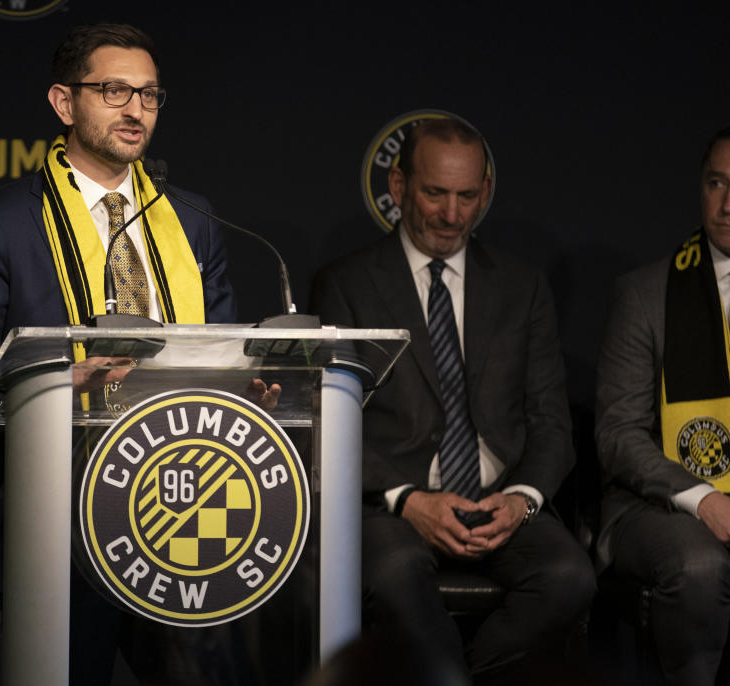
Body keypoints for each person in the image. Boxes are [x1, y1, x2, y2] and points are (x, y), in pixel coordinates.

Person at [0, 23, 251, 683]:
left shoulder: (192, 219)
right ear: (64, 103)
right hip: (53, 513)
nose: (135, 110)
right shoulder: (3, 220)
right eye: (113, 90)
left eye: (149, 95)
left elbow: (227, 350)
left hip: (183, 510)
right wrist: (49, 375)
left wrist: (254, 389)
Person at [310, 116, 594, 685]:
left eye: (468, 196)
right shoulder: (346, 284)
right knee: (395, 573)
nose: (452, 214)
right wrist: (407, 499)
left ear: (486, 191)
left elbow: (549, 422)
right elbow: (329, 423)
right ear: (398, 187)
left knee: (570, 577)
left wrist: (521, 500)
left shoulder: (522, 286)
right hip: (394, 503)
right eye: (435, 193)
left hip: (498, 498)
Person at [595, 126, 730, 685]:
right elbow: (618, 434)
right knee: (699, 564)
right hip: (657, 505)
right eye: (716, 183)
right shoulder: (647, 294)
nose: (727, 205)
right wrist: (704, 500)